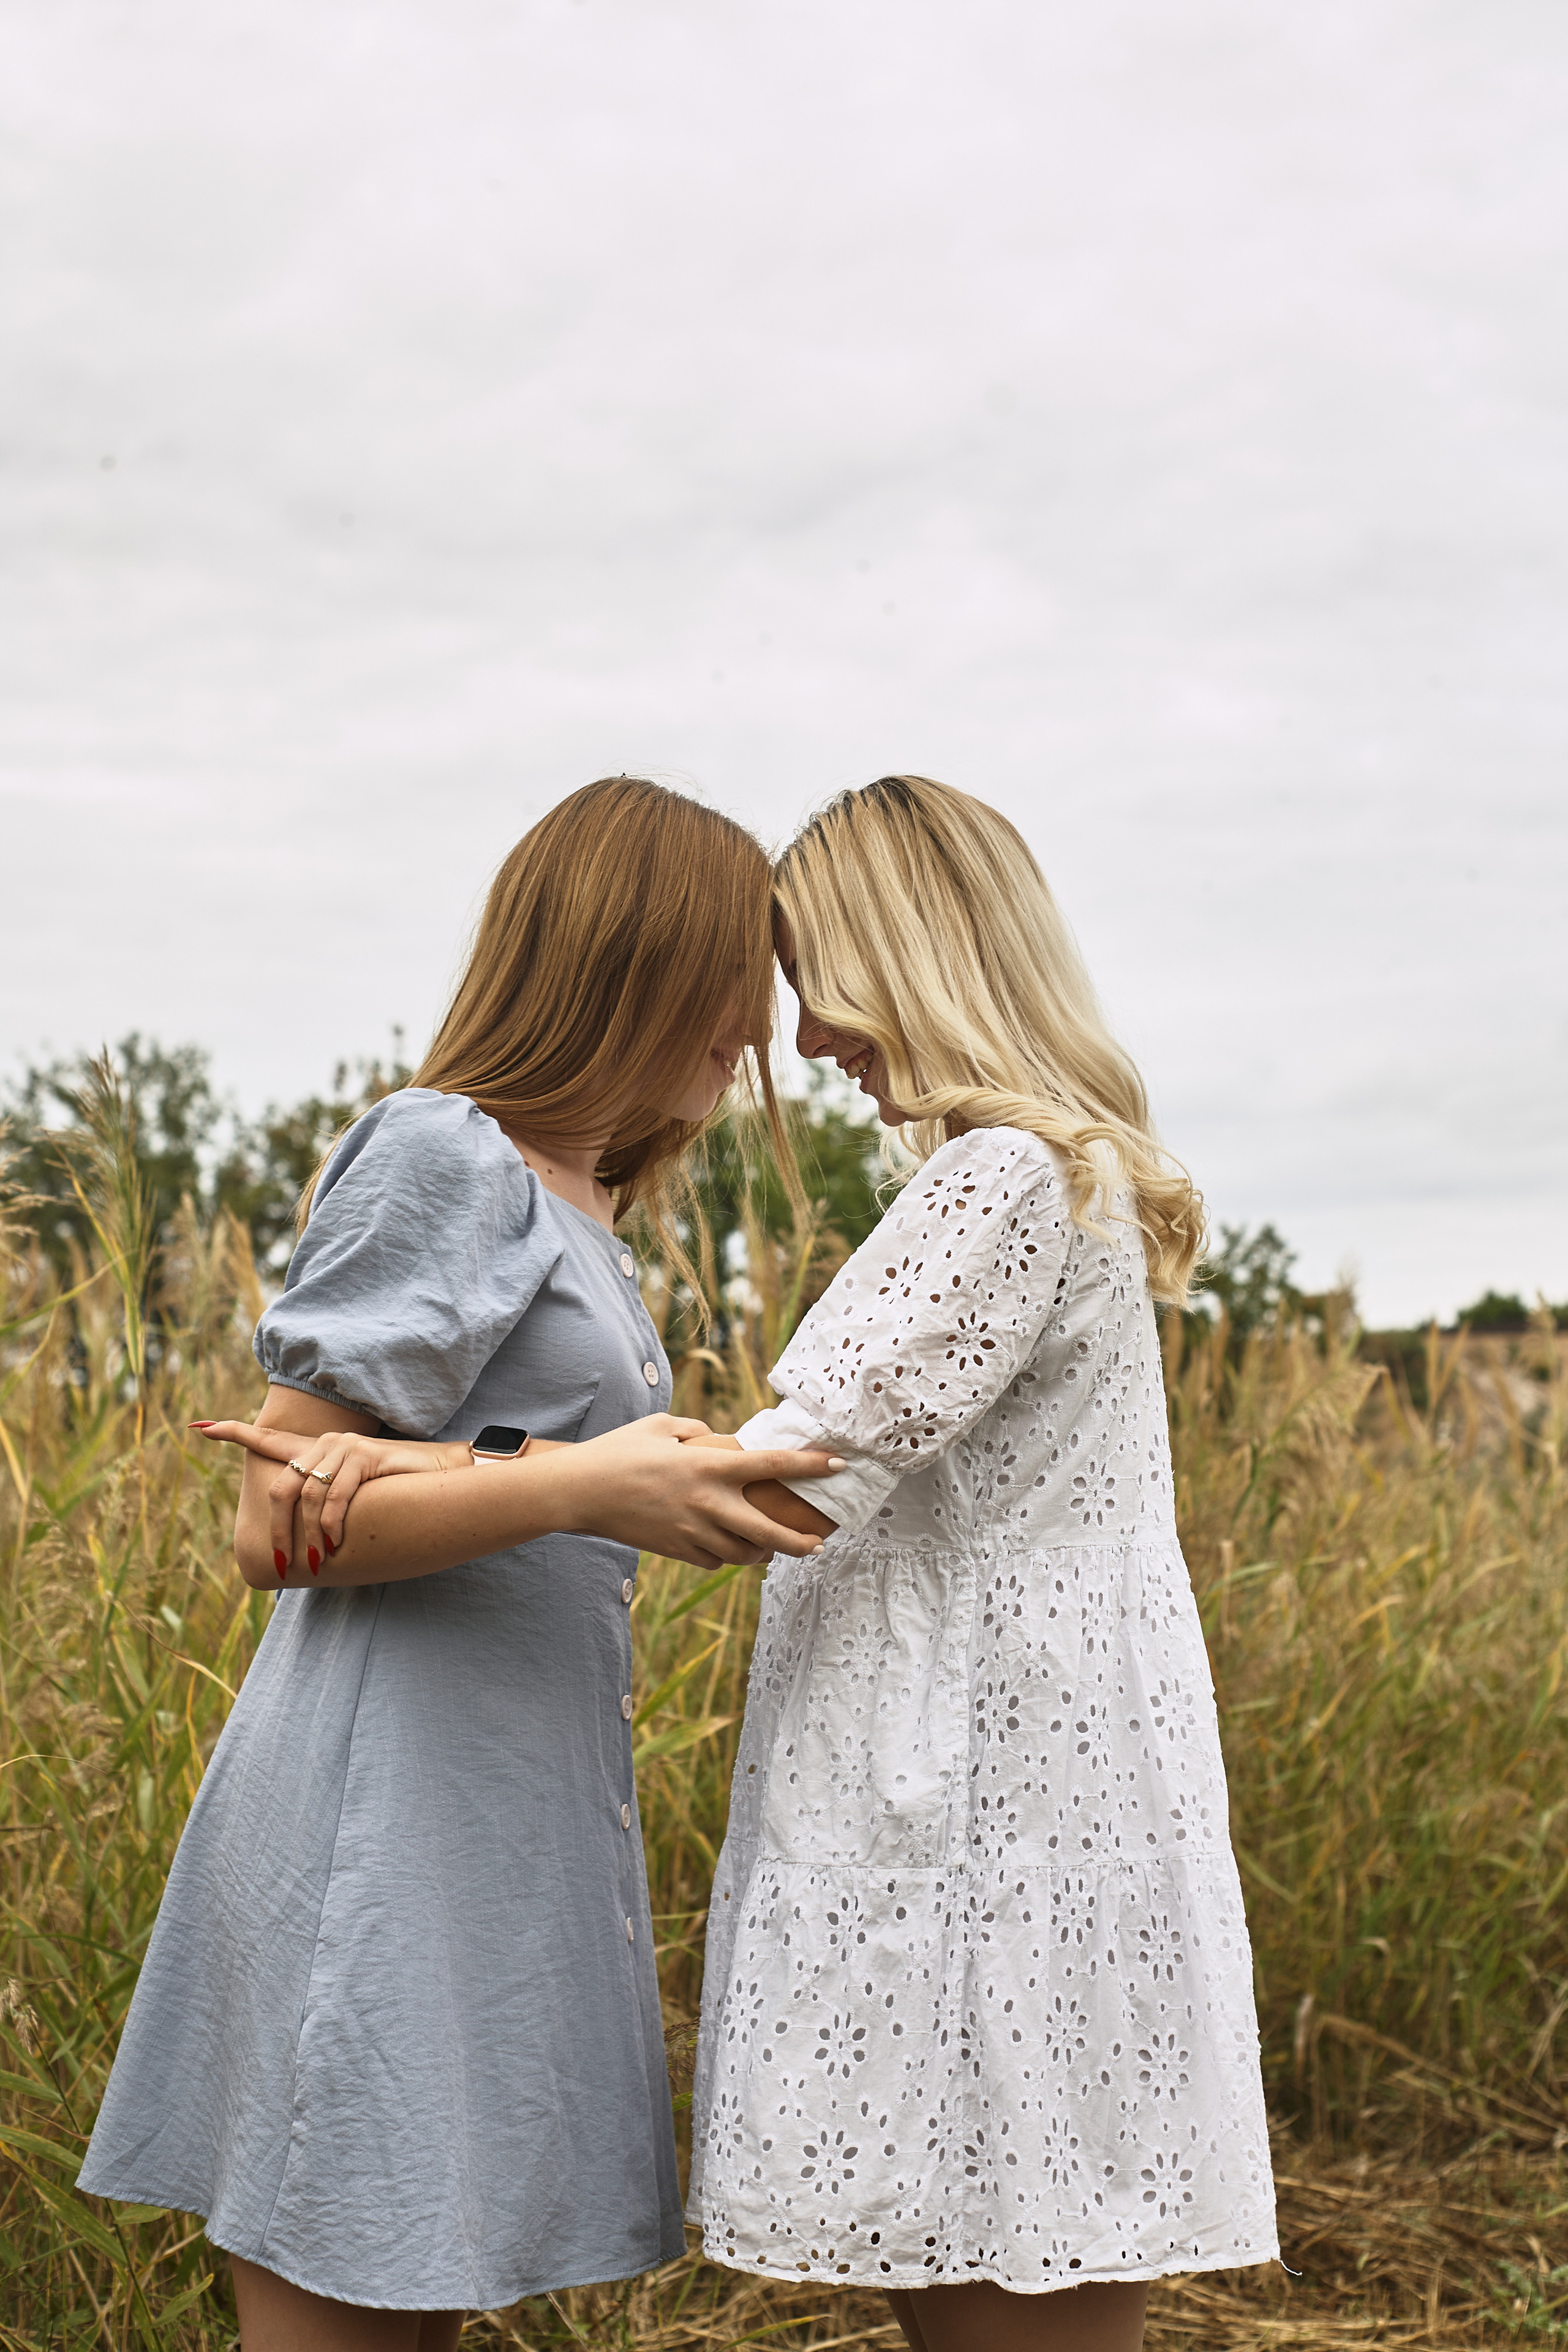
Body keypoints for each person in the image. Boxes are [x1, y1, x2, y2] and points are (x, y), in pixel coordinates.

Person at [77, 777, 840, 2352]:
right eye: (734, 969)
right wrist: (582, 1484)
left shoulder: (584, 1205)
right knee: (354, 2279)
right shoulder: (449, 1155)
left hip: (496, 1804)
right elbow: (272, 1519)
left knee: (417, 2287)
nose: (759, 1023)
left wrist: (642, 1479)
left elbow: (525, 1472)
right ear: (633, 953)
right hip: (385, 1813)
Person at [685, 777, 1279, 2352]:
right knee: (1023, 2253)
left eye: (814, 971)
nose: (805, 1038)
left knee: (1003, 2269)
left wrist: (466, 1479)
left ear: (909, 949)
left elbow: (794, 1484)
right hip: (1042, 1799)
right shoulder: (1054, 1174)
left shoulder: (998, 1181)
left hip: (988, 1814)